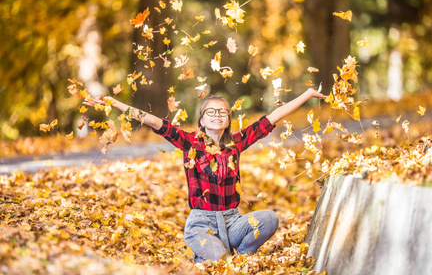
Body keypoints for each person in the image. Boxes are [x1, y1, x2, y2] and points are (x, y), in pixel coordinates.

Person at [83, 88, 326, 262]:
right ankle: (214, 256)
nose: (217, 115)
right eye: (211, 112)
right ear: (202, 119)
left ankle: (241, 256)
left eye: (222, 111)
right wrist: (113, 103)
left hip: (233, 222)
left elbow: (273, 117)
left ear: (228, 118)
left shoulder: (236, 143)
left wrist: (307, 94)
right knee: (220, 263)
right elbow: (152, 121)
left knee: (270, 219)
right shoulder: (189, 143)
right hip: (202, 224)